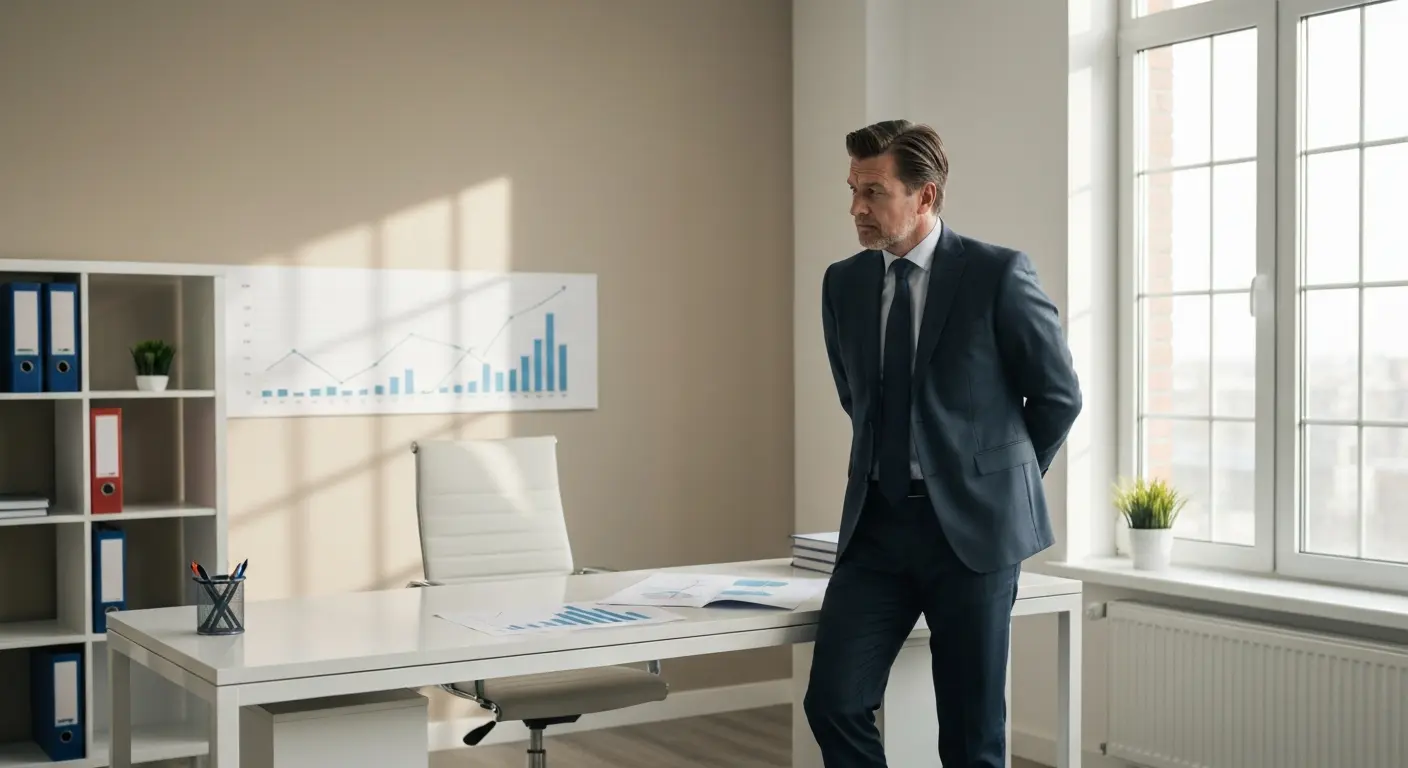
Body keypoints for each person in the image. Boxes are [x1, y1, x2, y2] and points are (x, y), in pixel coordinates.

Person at [803, 119, 1082, 768]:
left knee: (970, 735)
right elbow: (858, 400)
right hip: (876, 529)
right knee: (834, 703)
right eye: (851, 190)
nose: (856, 209)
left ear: (925, 196)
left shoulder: (996, 274)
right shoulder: (842, 285)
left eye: (873, 192)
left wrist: (990, 486)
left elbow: (1057, 396)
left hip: (973, 538)